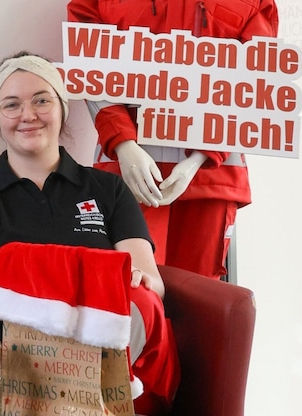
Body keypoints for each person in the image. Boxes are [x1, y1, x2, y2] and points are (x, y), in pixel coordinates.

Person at [0, 52, 179, 415]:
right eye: (11, 104)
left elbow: (150, 284)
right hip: (21, 365)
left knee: (143, 302)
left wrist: (35, 271)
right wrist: (102, 276)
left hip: (115, 356)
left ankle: (106, 411)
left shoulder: (109, 189)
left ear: (63, 108)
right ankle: (87, 412)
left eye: (42, 100)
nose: (28, 115)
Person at [67, 0, 280, 279]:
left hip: (210, 178)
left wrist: (201, 157)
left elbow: (256, 77)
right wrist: (123, 143)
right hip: (129, 173)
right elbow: (89, 62)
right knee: (130, 292)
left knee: (198, 298)